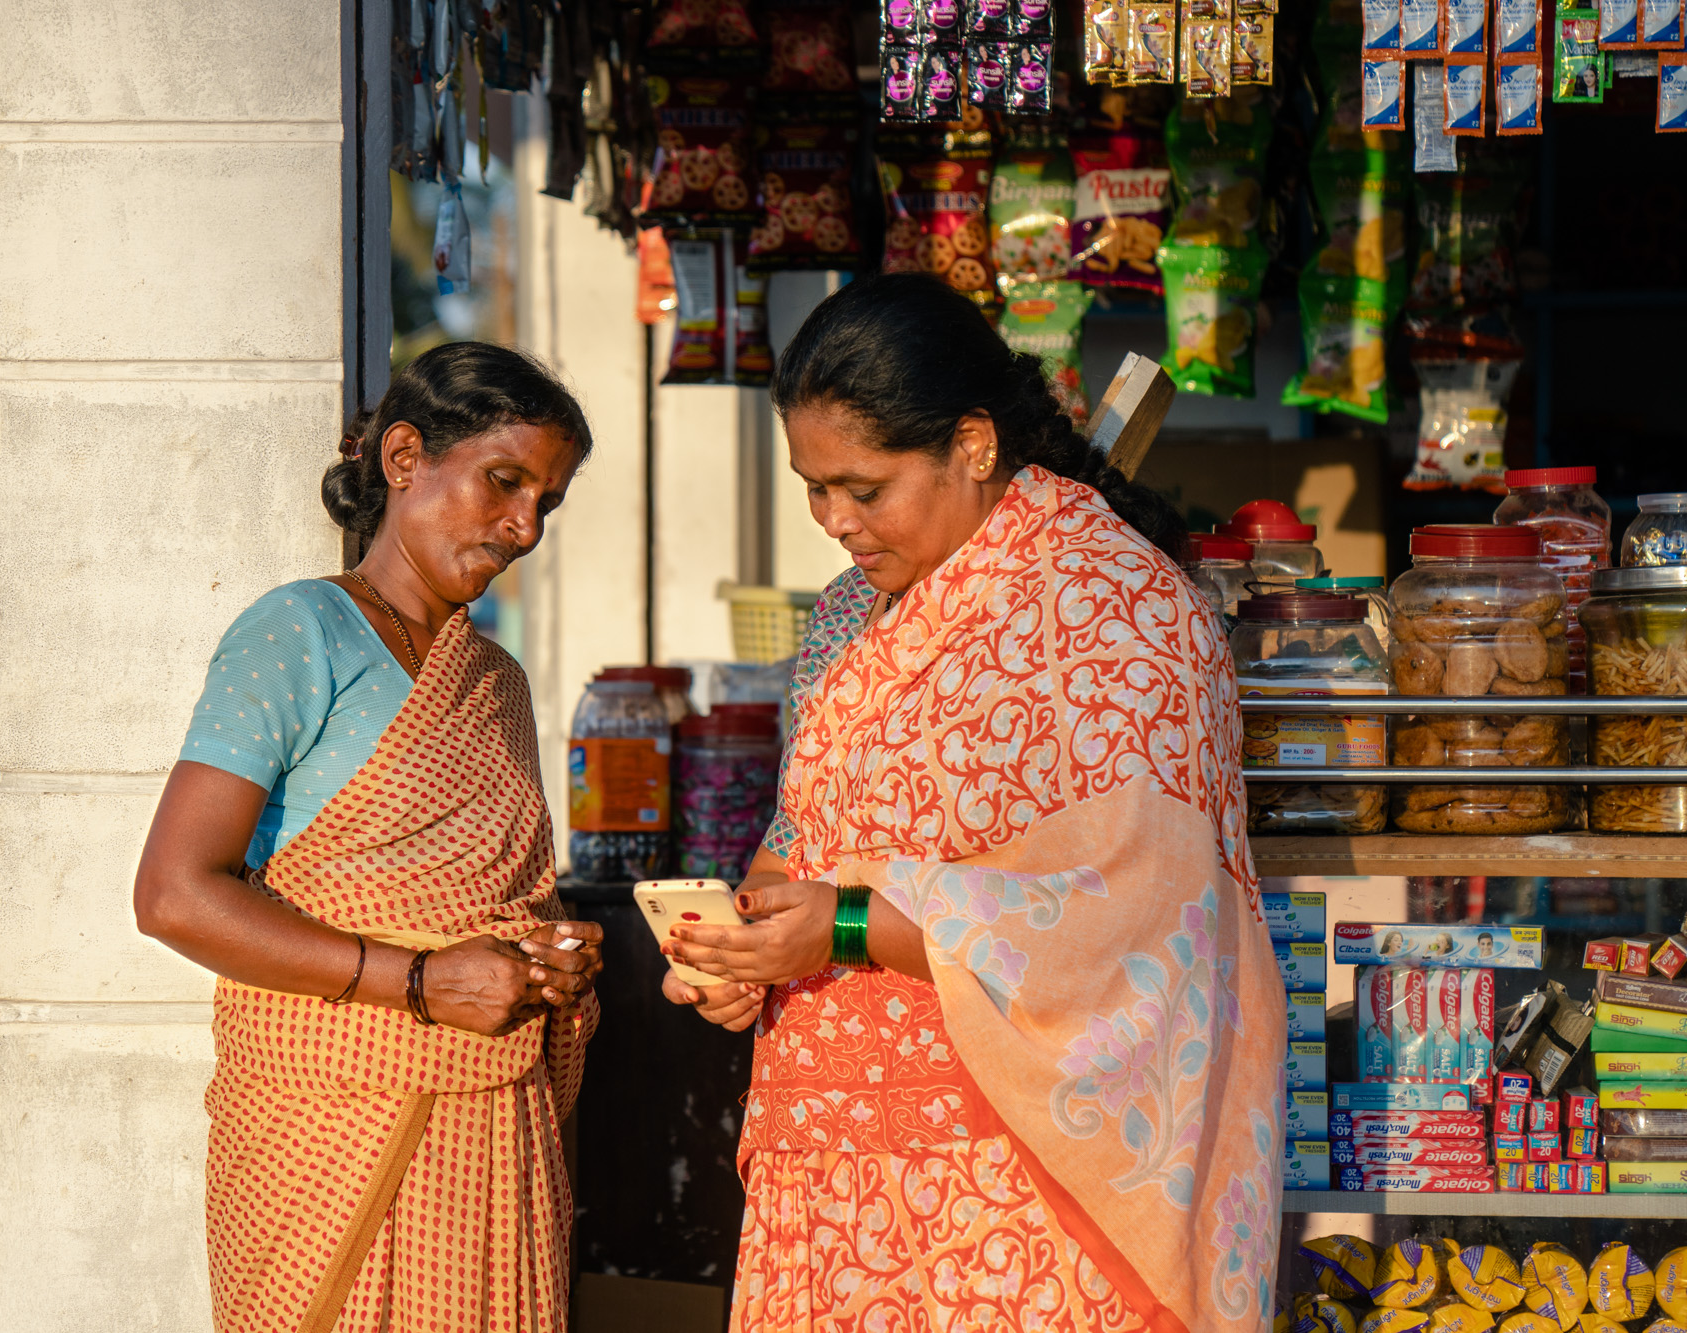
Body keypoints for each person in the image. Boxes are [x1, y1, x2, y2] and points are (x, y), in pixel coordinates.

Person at [664, 274, 1284, 1333]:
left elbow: (1130, 910)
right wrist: (743, 942)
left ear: (973, 442)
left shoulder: (1116, 612)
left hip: (1017, 1178)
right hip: (831, 1166)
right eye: (813, 487)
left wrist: (846, 927)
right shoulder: (844, 616)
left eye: (864, 487)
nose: (833, 522)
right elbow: (803, 829)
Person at [135, 342, 604, 1333]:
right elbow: (175, 893)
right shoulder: (298, 631)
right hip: (326, 1128)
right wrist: (424, 985)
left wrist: (543, 961)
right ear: (403, 457)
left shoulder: (496, 681)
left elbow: (490, 900)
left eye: (545, 504)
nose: (522, 527)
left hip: (488, 1135)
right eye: (503, 482)